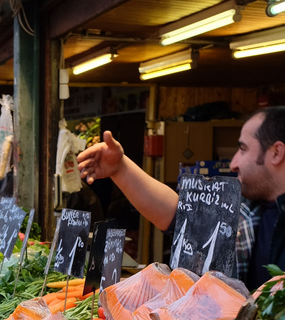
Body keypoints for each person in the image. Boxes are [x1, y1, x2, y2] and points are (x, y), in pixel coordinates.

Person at [77, 108, 285, 291]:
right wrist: (120, 168)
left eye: (243, 148)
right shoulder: (248, 210)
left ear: (276, 152)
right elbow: (179, 216)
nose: (233, 163)